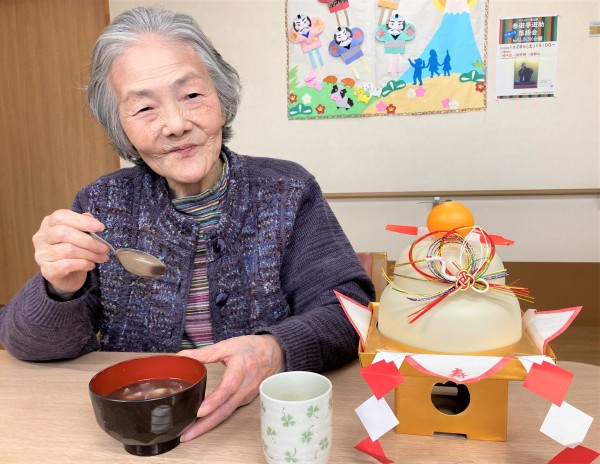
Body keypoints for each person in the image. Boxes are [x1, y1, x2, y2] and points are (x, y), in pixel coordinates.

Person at [0, 7, 374, 442]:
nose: (176, 125)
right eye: (144, 107)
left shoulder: (287, 189)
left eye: (192, 95)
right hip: (141, 425)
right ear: (120, 127)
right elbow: (30, 346)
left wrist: (276, 349)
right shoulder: (101, 204)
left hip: (261, 422)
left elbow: (349, 312)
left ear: (222, 98)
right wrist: (59, 289)